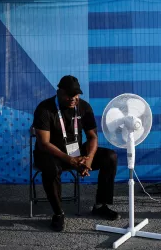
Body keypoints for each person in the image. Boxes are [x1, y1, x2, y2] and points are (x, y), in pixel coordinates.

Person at [33, 75, 121, 232]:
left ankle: (101, 205)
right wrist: (70, 160)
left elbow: (92, 136)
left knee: (110, 157)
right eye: (69, 95)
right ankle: (58, 213)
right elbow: (44, 144)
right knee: (51, 168)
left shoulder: (84, 107)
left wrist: (88, 159)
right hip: (50, 154)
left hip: (76, 153)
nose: (73, 98)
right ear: (59, 92)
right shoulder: (45, 109)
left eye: (76, 95)